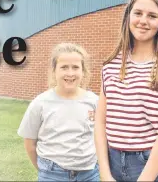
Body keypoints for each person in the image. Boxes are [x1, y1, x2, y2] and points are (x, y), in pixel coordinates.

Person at [94, 0, 158, 182]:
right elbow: (100, 122)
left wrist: (145, 178)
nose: (143, 21)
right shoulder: (111, 64)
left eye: (152, 16)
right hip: (112, 161)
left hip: (150, 163)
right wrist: (104, 172)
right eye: (138, 13)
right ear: (128, 17)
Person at [18, 43, 100, 181]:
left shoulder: (94, 101)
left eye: (75, 67)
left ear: (83, 71)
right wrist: (45, 172)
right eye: (64, 67)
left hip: (89, 174)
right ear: (54, 71)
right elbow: (29, 143)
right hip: (52, 174)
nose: (70, 73)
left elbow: (101, 138)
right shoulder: (41, 103)